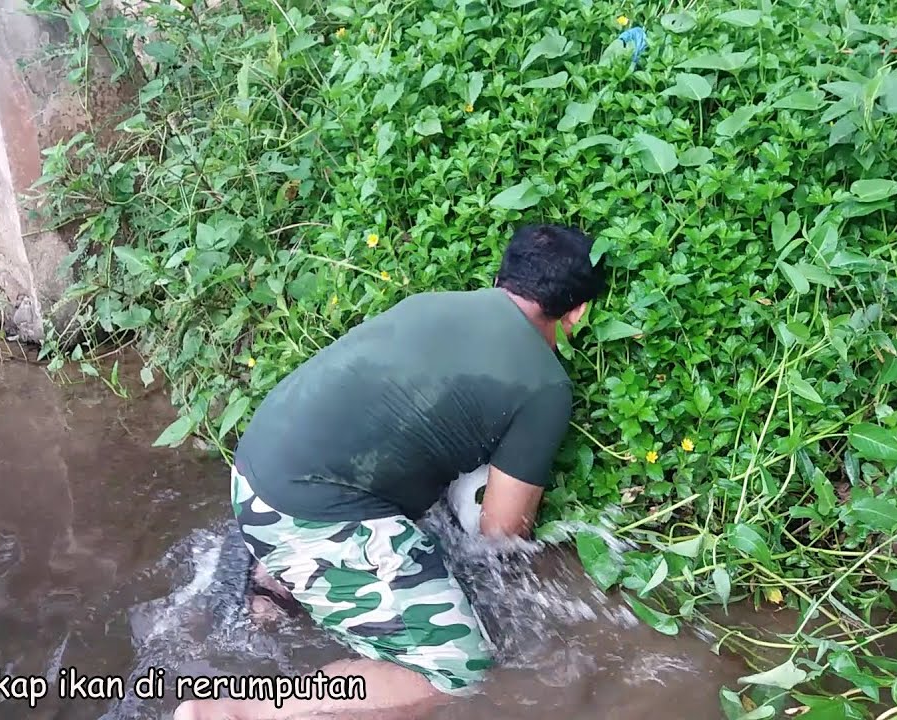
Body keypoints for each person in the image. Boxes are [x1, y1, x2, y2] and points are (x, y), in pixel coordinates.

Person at [174, 223, 608, 720]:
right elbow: (501, 533)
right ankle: (238, 714)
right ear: (577, 311)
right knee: (457, 673)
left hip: (253, 472)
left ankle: (273, 585)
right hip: (312, 517)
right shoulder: (545, 385)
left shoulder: (428, 303)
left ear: (501, 277)